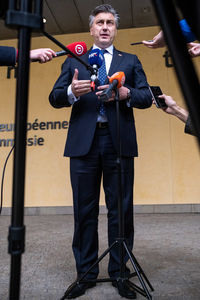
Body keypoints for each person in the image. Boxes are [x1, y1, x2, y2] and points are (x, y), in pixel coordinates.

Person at [49, 4, 152, 299]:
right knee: (84, 212)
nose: (105, 27)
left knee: (121, 211)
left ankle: (120, 273)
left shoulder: (130, 61)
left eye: (110, 23)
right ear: (91, 30)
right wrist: (72, 92)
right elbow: (55, 97)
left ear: (115, 30)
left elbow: (146, 95)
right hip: (84, 144)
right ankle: (86, 274)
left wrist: (127, 93)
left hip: (118, 141)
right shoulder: (74, 61)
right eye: (100, 23)